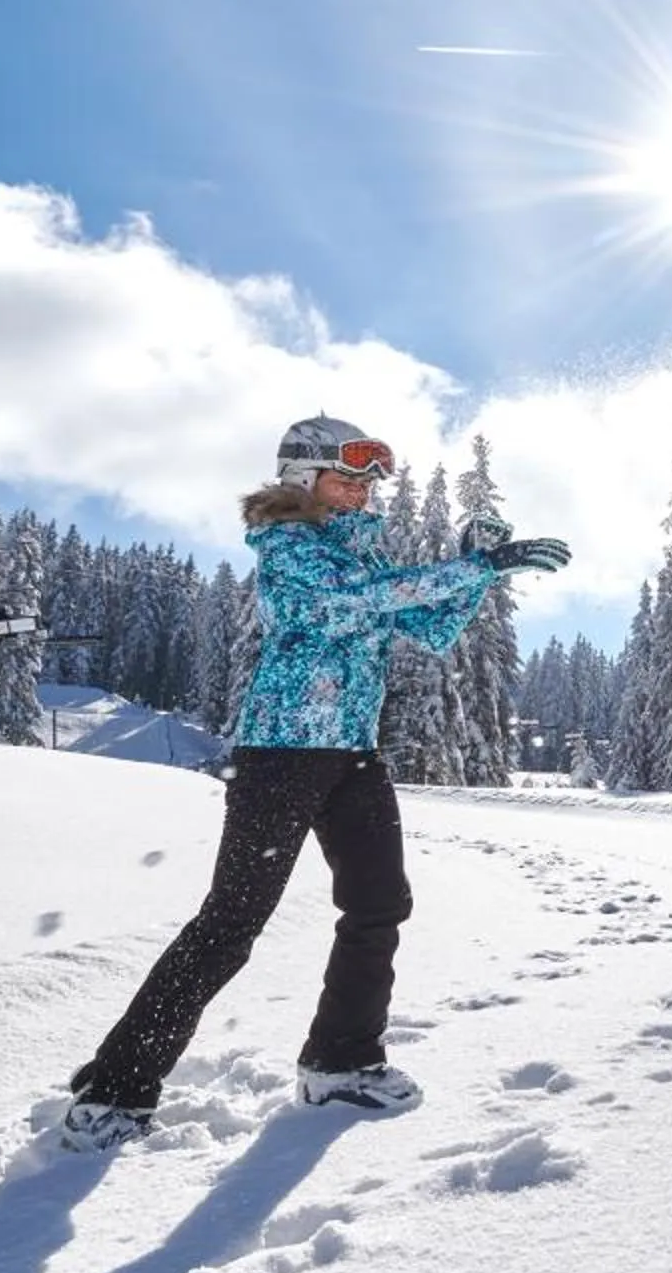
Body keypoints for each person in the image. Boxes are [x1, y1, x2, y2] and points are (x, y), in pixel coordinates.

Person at [58, 415, 573, 1153]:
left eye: (370, 481)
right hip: (282, 755)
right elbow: (351, 602)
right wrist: (474, 568)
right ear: (304, 478)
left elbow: (429, 628)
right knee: (231, 924)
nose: (364, 491)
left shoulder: (361, 554)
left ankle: (341, 1060)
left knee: (379, 903)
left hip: (352, 755)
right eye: (348, 477)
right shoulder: (289, 546)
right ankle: (114, 1089)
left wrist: (477, 567)